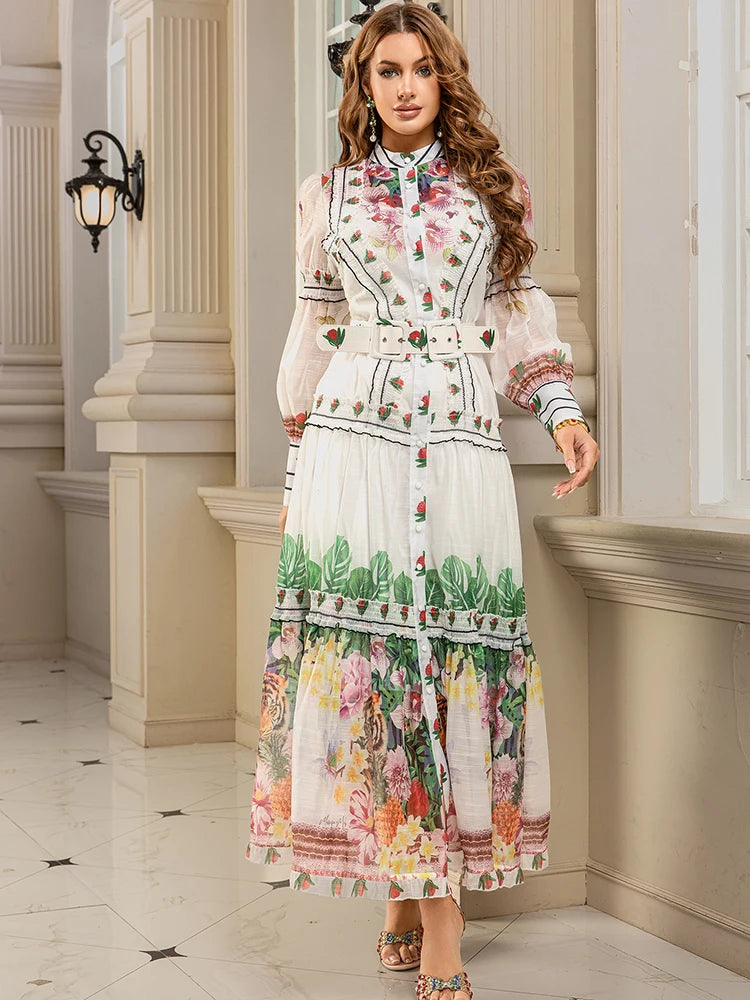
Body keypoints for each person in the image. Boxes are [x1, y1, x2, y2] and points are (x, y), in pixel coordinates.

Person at [246, 5, 600, 998]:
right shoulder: (326, 197)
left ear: (445, 79)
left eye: (421, 69)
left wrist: (563, 413)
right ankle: (431, 909)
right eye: (387, 71)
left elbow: (521, 317)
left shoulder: (495, 191)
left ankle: (416, 895)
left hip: (458, 449)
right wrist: (294, 476)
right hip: (349, 451)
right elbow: (313, 337)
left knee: (448, 658)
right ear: (363, 87)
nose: (405, 87)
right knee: (382, 664)